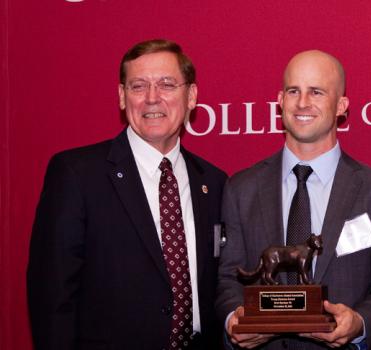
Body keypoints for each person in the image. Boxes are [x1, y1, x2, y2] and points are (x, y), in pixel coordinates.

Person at [27, 39, 227, 350]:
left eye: (166, 84)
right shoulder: (76, 174)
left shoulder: (214, 182)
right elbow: (52, 295)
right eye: (138, 86)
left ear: (191, 96)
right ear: (122, 97)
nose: (151, 98)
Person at [216, 50, 371, 349]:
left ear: (341, 105)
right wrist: (232, 321)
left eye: (316, 92)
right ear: (280, 100)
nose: (303, 103)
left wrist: (360, 322)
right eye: (293, 91)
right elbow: (228, 278)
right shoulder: (241, 188)